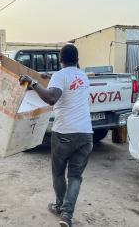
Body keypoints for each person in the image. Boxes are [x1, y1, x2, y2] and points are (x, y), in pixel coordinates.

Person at [19, 44, 93, 227]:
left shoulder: (61, 76)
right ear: (77, 59)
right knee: (75, 176)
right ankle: (67, 215)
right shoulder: (83, 76)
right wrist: (50, 78)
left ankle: (60, 205)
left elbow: (52, 97)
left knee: (59, 172)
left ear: (60, 59)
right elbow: (70, 84)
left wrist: (33, 82)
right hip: (86, 134)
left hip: (65, 133)